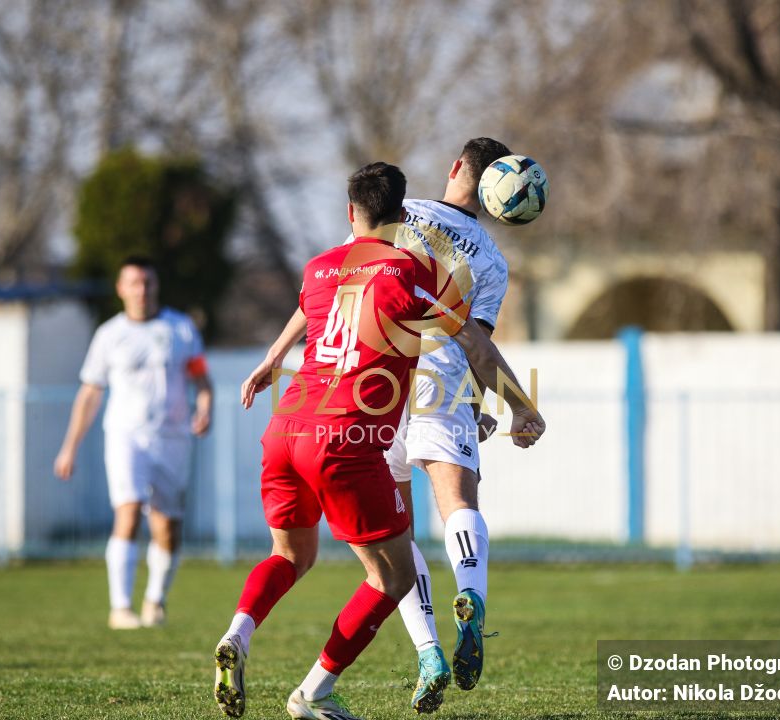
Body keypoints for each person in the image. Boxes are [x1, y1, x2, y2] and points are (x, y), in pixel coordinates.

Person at [214, 162, 544, 720]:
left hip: (287, 427)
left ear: (350, 214)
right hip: (347, 436)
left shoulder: (319, 269)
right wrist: (519, 406)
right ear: (402, 212)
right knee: (392, 571)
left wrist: (272, 360)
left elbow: (318, 322)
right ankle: (314, 692)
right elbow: (475, 347)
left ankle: (237, 633)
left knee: (290, 554)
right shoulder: (413, 272)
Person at [54, 255, 213, 629]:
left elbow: (201, 380)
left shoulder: (181, 329)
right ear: (121, 289)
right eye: (134, 283)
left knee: (167, 526)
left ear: (156, 287)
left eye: (148, 283)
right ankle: (120, 607)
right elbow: (90, 393)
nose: (142, 290)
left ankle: (155, 600)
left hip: (172, 438)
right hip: (126, 436)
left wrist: (204, 410)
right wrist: (69, 447)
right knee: (127, 510)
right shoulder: (109, 335)